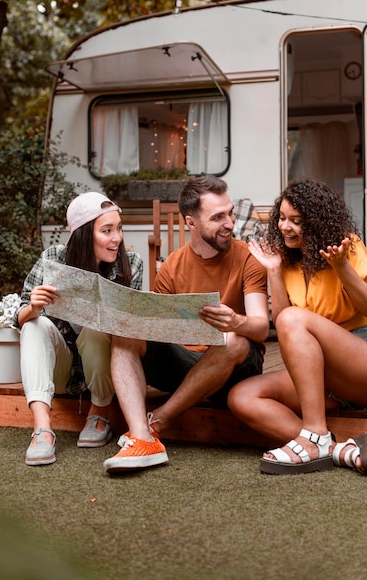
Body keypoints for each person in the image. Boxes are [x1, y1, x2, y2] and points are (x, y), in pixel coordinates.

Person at [228, 178, 367, 476]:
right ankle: (334, 449)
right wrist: (273, 272)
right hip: (324, 377)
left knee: (294, 318)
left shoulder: (346, 246)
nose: (285, 227)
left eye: (296, 221)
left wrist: (342, 267)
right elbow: (284, 325)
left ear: (317, 223)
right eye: (281, 218)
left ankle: (314, 434)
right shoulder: (287, 259)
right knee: (242, 396)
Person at [103, 175, 269, 474]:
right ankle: (141, 436)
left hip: (236, 369)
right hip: (186, 366)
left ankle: (157, 423)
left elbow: (260, 327)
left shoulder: (248, 258)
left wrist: (237, 321)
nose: (230, 223)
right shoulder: (173, 265)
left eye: (229, 213)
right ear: (191, 222)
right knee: (125, 333)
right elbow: (154, 326)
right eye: (218, 217)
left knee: (232, 339)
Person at [15, 191, 143, 466]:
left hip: (103, 367)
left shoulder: (132, 263)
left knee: (97, 328)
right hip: (62, 366)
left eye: (118, 228)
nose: (117, 238)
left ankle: (99, 413)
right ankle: (42, 429)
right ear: (84, 234)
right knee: (34, 326)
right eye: (106, 230)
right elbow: (21, 316)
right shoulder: (53, 258)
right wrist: (33, 308)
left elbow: (132, 328)